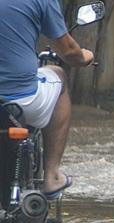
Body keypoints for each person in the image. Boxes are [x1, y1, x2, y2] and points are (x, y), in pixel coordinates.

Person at [0, 0, 94, 199]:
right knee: (58, 75)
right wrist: (85, 56)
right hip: (21, 99)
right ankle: (52, 177)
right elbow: (68, 51)